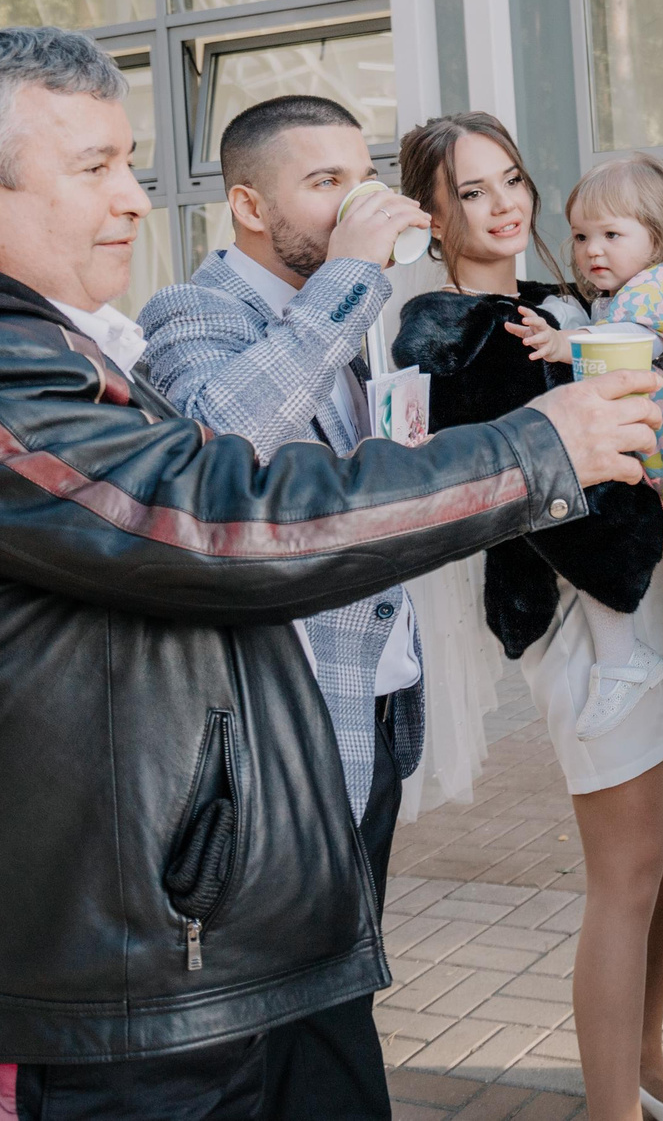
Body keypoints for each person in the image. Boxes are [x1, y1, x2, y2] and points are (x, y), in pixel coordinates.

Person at [0, 28, 657, 1118]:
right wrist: (535, 450)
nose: (132, 200)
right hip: (56, 994)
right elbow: (215, 517)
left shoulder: (30, 346)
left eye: (128, 165)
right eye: (92, 169)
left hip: (147, 945)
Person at [391, 114, 663, 1121]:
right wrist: (658, 532)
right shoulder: (449, 330)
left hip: (647, 593)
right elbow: (519, 496)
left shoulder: (559, 301)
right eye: (473, 192)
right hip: (588, 610)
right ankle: (610, 1107)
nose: (505, 206)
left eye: (511, 181)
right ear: (433, 214)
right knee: (625, 869)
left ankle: (647, 1059)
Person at [133, 94, 434, 1118]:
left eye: (361, 174)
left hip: (370, 701)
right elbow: (219, 441)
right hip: (275, 728)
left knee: (336, 982)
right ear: (250, 206)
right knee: (298, 1010)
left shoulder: (342, 311)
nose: (357, 202)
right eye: (325, 183)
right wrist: (352, 275)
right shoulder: (193, 313)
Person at [511, 152, 663, 700]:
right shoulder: (636, 292)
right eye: (579, 236)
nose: (592, 249)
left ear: (658, 234)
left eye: (612, 234)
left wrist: (559, 343)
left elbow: (630, 345)